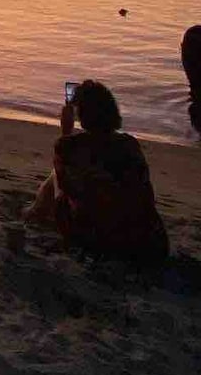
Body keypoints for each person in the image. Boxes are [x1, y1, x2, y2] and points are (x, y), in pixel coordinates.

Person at [24, 80, 168, 264]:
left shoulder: (70, 146)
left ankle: (33, 213)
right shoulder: (129, 144)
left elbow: (65, 182)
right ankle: (34, 212)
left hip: (96, 239)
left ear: (80, 113)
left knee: (56, 176)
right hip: (149, 238)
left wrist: (66, 130)